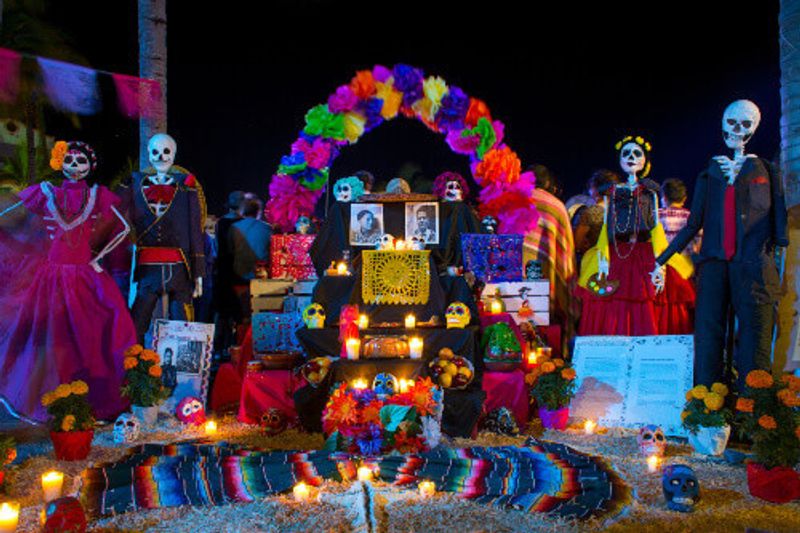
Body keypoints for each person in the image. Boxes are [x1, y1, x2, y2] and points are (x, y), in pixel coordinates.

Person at [653, 100, 787, 389]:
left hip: (752, 264)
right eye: (732, 123)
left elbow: (778, 223)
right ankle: (707, 405)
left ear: (754, 129)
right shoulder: (710, 172)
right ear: (723, 125)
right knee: (709, 333)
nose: (737, 131)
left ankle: (752, 409)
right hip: (713, 263)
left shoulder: (765, 170)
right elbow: (693, 224)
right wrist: (660, 260)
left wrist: (775, 262)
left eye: (745, 124)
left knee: (755, 335)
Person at [0, 141, 136, 421]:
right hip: (50, 277)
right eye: (70, 160)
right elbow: (10, 217)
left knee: (90, 334)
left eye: (81, 161)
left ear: (90, 167)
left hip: (84, 277)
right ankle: (49, 399)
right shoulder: (46, 193)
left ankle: (87, 399)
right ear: (60, 162)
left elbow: (123, 228)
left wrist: (98, 258)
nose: (75, 166)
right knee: (47, 336)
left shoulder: (98, 196)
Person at [523, 164, 576, 355]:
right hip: (546, 276)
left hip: (514, 280)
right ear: (547, 183)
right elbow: (565, 250)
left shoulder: (512, 201)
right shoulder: (556, 206)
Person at [229, 197, 273, 320]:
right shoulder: (268, 229)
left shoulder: (233, 228)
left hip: (237, 278)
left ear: (242, 211)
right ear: (259, 212)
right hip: (261, 280)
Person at [214, 191, 244, 352]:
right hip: (237, 271)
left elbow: (218, 248)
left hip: (222, 270)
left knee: (222, 313)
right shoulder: (242, 224)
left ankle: (218, 349)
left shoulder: (220, 222)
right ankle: (235, 347)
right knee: (238, 313)